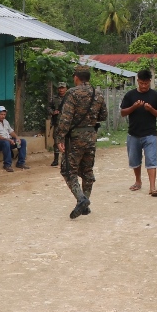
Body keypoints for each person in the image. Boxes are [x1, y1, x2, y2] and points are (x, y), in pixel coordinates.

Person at [55, 66, 108, 219]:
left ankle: (81, 199)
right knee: (87, 171)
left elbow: (66, 118)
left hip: (75, 138)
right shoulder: (97, 93)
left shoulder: (72, 93)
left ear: (76, 77)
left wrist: (60, 138)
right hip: (91, 135)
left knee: (67, 170)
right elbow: (103, 115)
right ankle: (85, 204)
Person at [120, 69, 157, 196]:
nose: (144, 86)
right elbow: (123, 113)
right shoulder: (130, 95)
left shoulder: (156, 96)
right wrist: (134, 107)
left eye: (146, 83)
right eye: (141, 83)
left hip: (150, 134)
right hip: (133, 133)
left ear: (150, 82)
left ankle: (152, 187)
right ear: (137, 81)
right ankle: (138, 181)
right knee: (134, 160)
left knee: (151, 159)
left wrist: (151, 109)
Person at [0, 105, 28, 172]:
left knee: (22, 141)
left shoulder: (5, 121)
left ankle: (20, 162)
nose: (3, 116)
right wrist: (9, 140)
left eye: (4, 114)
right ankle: (7, 164)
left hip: (8, 141)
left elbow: (11, 131)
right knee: (6, 143)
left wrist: (17, 138)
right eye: (1, 114)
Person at [48, 81, 68, 167]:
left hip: (67, 123)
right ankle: (56, 159)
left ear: (66, 89)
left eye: (63, 88)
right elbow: (48, 107)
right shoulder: (54, 98)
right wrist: (53, 112)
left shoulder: (69, 98)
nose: (61, 90)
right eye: (60, 88)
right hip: (57, 122)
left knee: (67, 140)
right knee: (56, 140)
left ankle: (66, 159)